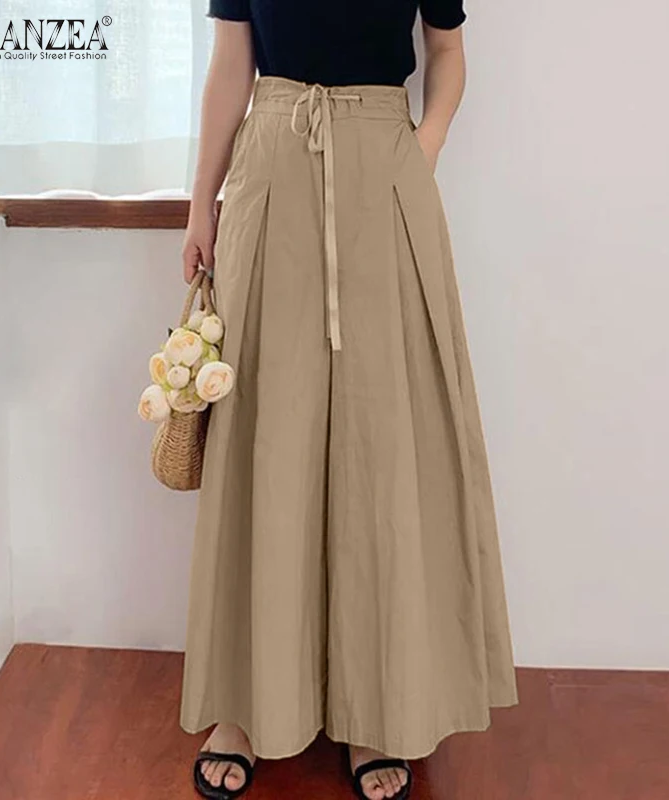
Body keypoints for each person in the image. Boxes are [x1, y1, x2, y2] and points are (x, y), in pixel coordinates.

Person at [179, 2, 518, 798]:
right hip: (272, 163)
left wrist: (420, 149)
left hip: (383, 172)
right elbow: (231, 63)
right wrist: (201, 203)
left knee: (382, 438)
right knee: (266, 438)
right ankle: (244, 706)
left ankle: (380, 707)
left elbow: (446, 52)